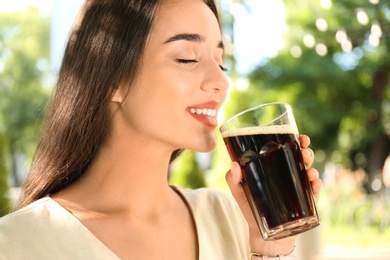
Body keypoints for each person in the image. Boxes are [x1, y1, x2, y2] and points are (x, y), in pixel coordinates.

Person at [0, 0, 321, 259]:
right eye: (186, 58)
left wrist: (266, 249)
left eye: (221, 62)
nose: (221, 81)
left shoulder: (227, 217)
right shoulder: (16, 244)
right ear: (112, 78)